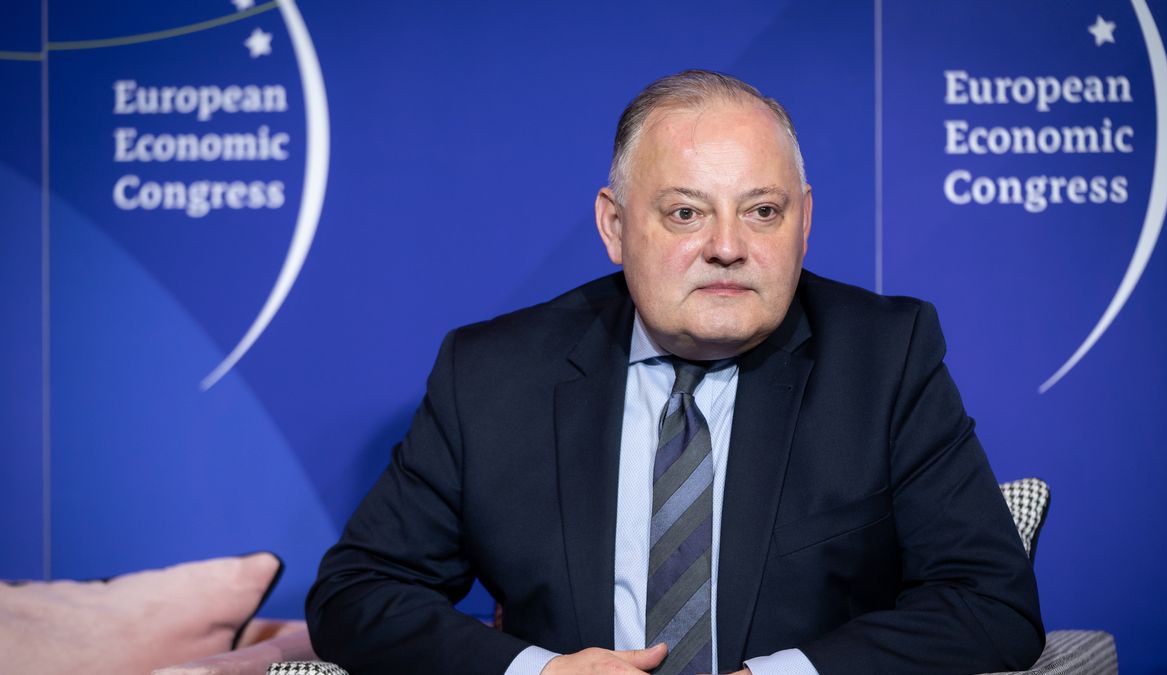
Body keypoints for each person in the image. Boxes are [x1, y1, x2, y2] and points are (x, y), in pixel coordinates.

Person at [306, 70, 1043, 675]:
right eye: (687, 213)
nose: (728, 246)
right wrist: (537, 672)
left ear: (805, 222)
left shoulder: (884, 358)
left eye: (762, 210)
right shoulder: (494, 374)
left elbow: (992, 603)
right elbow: (357, 593)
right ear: (615, 226)